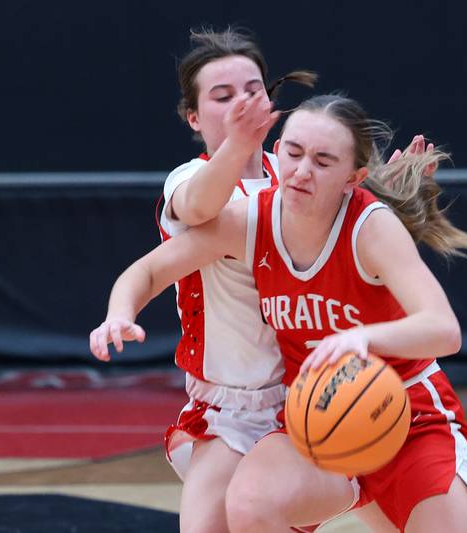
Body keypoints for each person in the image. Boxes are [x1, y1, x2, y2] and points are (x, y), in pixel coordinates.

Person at [90, 93, 467, 532]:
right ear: (277, 151)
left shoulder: (371, 227)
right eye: (293, 153)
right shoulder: (251, 220)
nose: (301, 171)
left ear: (353, 177)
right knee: (250, 501)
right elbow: (148, 270)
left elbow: (444, 330)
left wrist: (362, 339)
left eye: (322, 161)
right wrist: (119, 314)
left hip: (407, 411)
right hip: (317, 413)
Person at [95, 27, 315, 533]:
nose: (243, 101)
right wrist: (120, 313)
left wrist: (405, 191)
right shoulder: (187, 181)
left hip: (312, 399)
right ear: (194, 118)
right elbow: (197, 209)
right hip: (230, 410)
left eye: (254, 89)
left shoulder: (301, 175)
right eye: (223, 95)